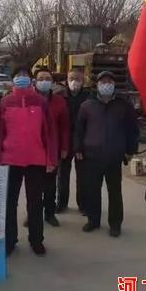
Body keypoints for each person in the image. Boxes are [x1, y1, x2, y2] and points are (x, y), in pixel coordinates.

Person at [0, 65, 57, 256]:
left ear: (31, 79)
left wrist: (51, 158)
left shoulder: (41, 102)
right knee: (9, 202)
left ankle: (36, 240)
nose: (22, 77)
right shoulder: (5, 102)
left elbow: (50, 132)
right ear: (13, 80)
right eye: (18, 75)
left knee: (35, 202)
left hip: (36, 160)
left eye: (25, 75)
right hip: (10, 160)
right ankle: (10, 240)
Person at [75, 71, 139, 237]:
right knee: (92, 190)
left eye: (109, 82)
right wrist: (78, 149)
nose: (106, 85)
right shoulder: (87, 106)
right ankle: (93, 220)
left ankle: (115, 224)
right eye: (103, 82)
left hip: (114, 156)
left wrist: (130, 150)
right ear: (97, 85)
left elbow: (132, 129)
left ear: (114, 85)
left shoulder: (123, 105)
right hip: (92, 156)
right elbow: (79, 130)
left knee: (115, 192)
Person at [33, 67, 69, 227]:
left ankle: (49, 213)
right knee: (33, 186)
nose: (44, 82)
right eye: (40, 79)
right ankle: (33, 214)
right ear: (34, 81)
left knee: (50, 185)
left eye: (47, 79)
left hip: (52, 149)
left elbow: (64, 127)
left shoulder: (59, 101)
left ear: (53, 82)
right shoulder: (29, 99)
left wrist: (64, 147)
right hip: (32, 149)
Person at [57, 67, 90, 215]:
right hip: (65, 141)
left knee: (82, 175)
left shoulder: (89, 97)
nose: (74, 82)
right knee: (62, 174)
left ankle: (83, 204)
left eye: (78, 79)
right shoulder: (60, 96)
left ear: (83, 81)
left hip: (82, 142)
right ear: (66, 80)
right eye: (71, 78)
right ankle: (61, 203)